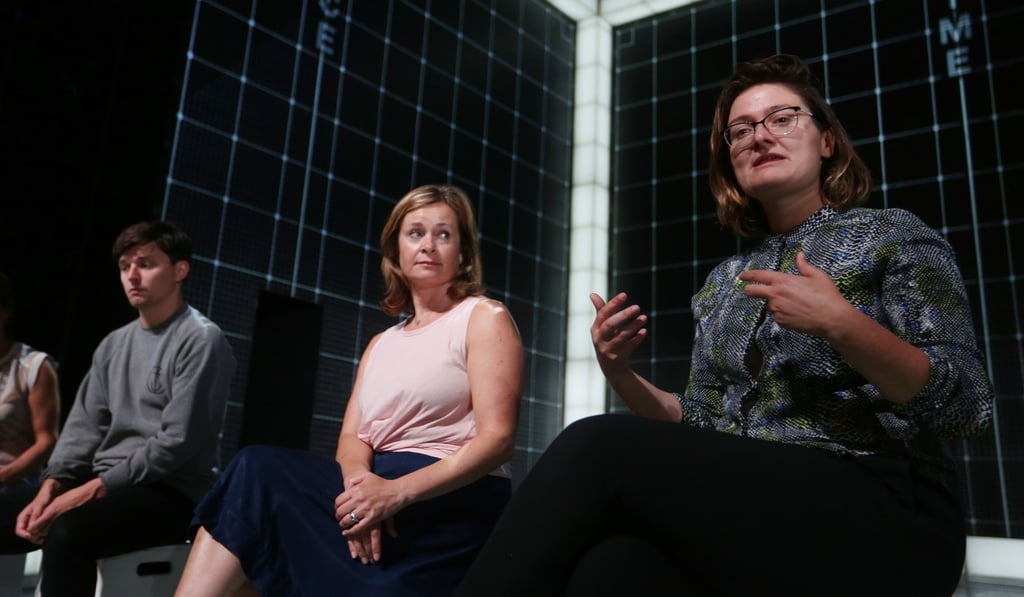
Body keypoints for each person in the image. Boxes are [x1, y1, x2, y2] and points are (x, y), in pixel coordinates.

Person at [456, 54, 993, 597]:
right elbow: (701, 424)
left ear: (827, 140)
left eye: (782, 118)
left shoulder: (893, 235)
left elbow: (968, 405)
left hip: (888, 507)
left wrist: (841, 323)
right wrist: (620, 374)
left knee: (596, 446)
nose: (760, 137)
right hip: (766, 508)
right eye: (741, 131)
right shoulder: (726, 282)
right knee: (617, 567)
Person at [174, 183, 523, 597]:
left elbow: (498, 440)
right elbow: (353, 436)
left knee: (259, 484)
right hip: (374, 489)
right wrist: (360, 490)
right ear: (395, 251)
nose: (429, 245)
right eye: (415, 233)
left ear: (463, 253)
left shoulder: (484, 317)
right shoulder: (381, 343)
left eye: (444, 234)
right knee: (254, 483)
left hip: (447, 498)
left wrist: (395, 493)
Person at [0, 220, 236, 596]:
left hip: (173, 492)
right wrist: (51, 486)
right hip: (107, 482)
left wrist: (86, 493)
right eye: (125, 266)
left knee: (69, 530)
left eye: (145, 263)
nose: (132, 275)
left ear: (180, 270)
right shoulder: (113, 344)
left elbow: (174, 444)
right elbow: (82, 428)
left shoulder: (201, 339)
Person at [0, 273, 60, 502]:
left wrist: (4, 476)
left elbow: (46, 441)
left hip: (14, 486)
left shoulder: (33, 366)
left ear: (4, 311)